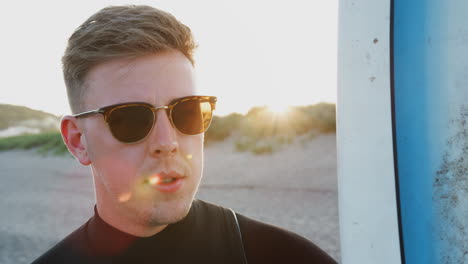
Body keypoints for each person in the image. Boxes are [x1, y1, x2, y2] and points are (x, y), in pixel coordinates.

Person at [31, 5, 336, 264]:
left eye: (187, 111)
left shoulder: (283, 256)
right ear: (77, 140)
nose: (167, 142)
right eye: (131, 118)